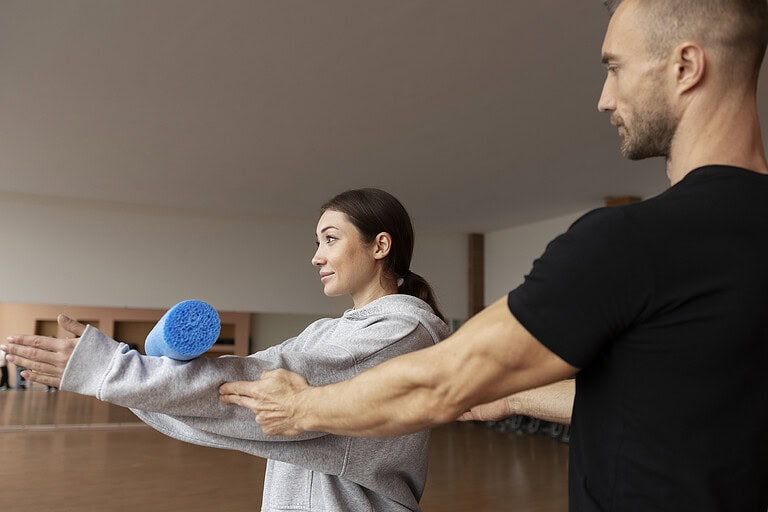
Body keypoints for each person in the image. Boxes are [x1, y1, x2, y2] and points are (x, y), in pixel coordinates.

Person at [211, 1, 768, 510]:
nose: (605, 97)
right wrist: (516, 395)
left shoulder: (631, 243)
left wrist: (301, 409)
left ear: (686, 66)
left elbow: (439, 382)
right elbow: (669, 401)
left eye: (615, 68)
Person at [3, 188, 450, 512]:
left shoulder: (400, 332)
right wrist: (126, 373)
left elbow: (254, 388)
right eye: (317, 242)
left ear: (380, 245)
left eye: (330, 239)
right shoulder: (325, 331)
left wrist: (111, 369)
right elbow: (230, 395)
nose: (316, 256)